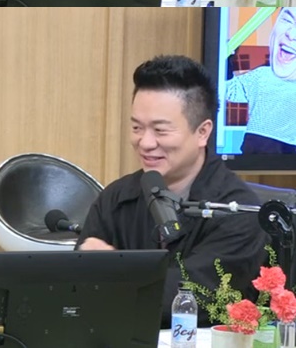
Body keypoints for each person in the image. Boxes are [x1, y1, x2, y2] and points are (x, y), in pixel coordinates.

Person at [76, 55, 266, 327]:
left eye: (160, 130)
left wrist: (114, 273)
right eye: (136, 127)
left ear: (203, 132)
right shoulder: (115, 198)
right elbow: (76, 288)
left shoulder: (237, 210)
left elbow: (193, 296)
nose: (145, 142)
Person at [226, 6, 296, 154]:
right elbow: (229, 91)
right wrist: (225, 57)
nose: (291, 34)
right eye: (287, 20)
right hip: (256, 147)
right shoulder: (261, 76)